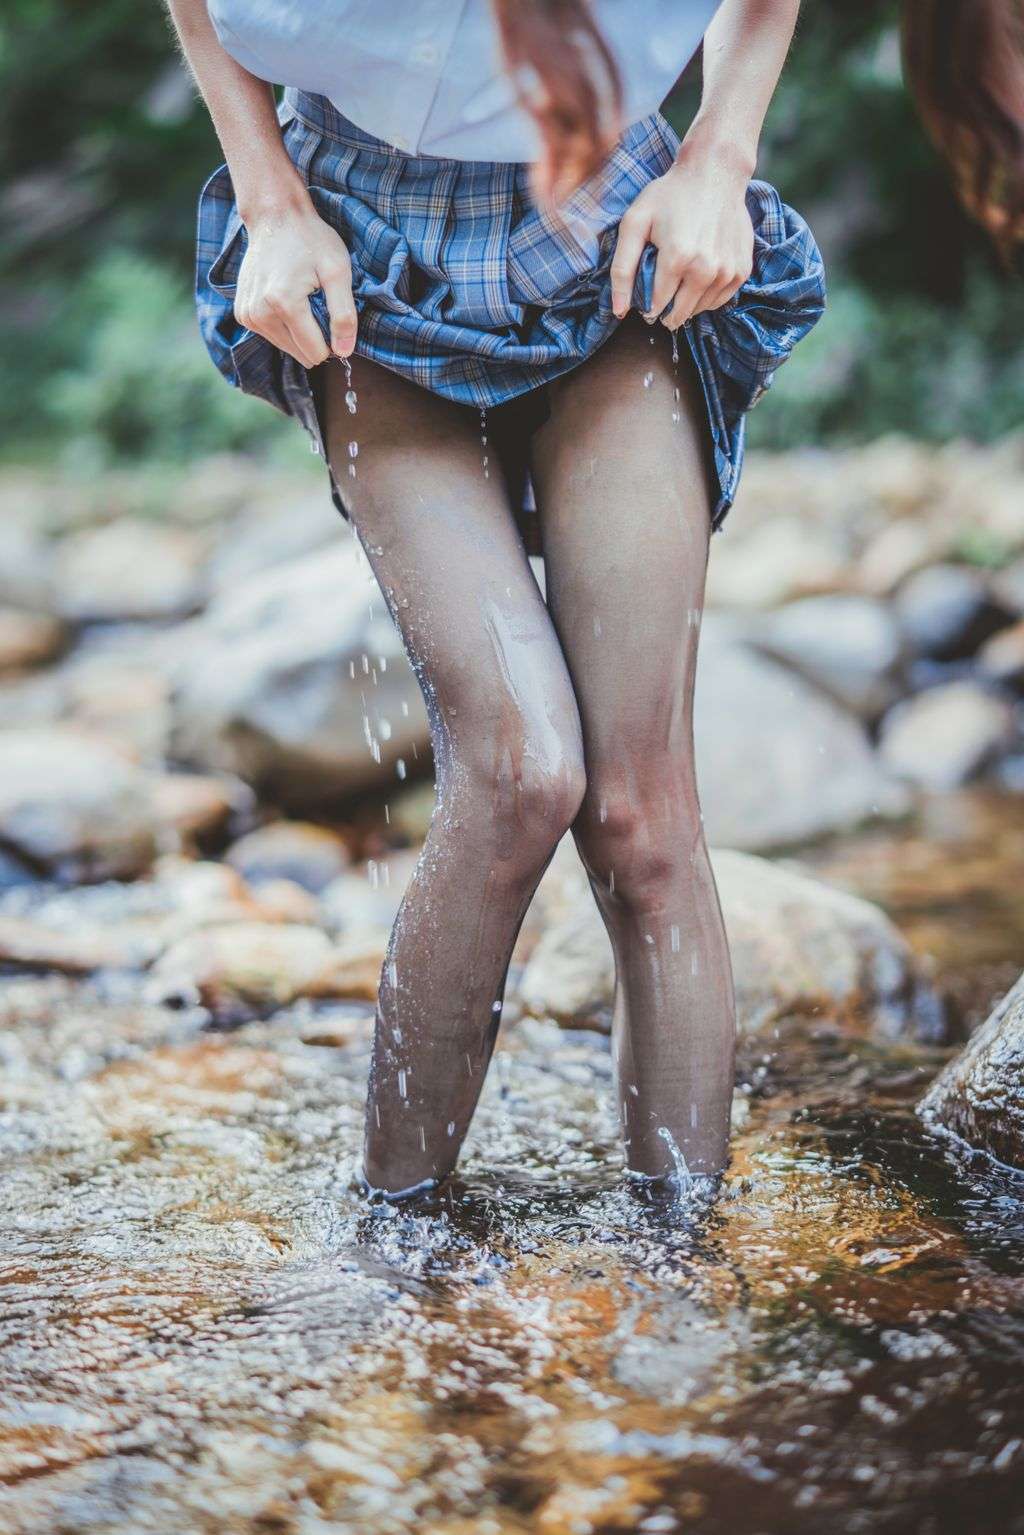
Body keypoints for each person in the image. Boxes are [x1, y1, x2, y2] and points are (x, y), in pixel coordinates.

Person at [168, 0, 826, 1201]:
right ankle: (391, 1258)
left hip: (621, 243)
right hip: (367, 267)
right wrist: (268, 204)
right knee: (520, 771)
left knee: (638, 815)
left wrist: (719, 158)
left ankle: (685, 1275)